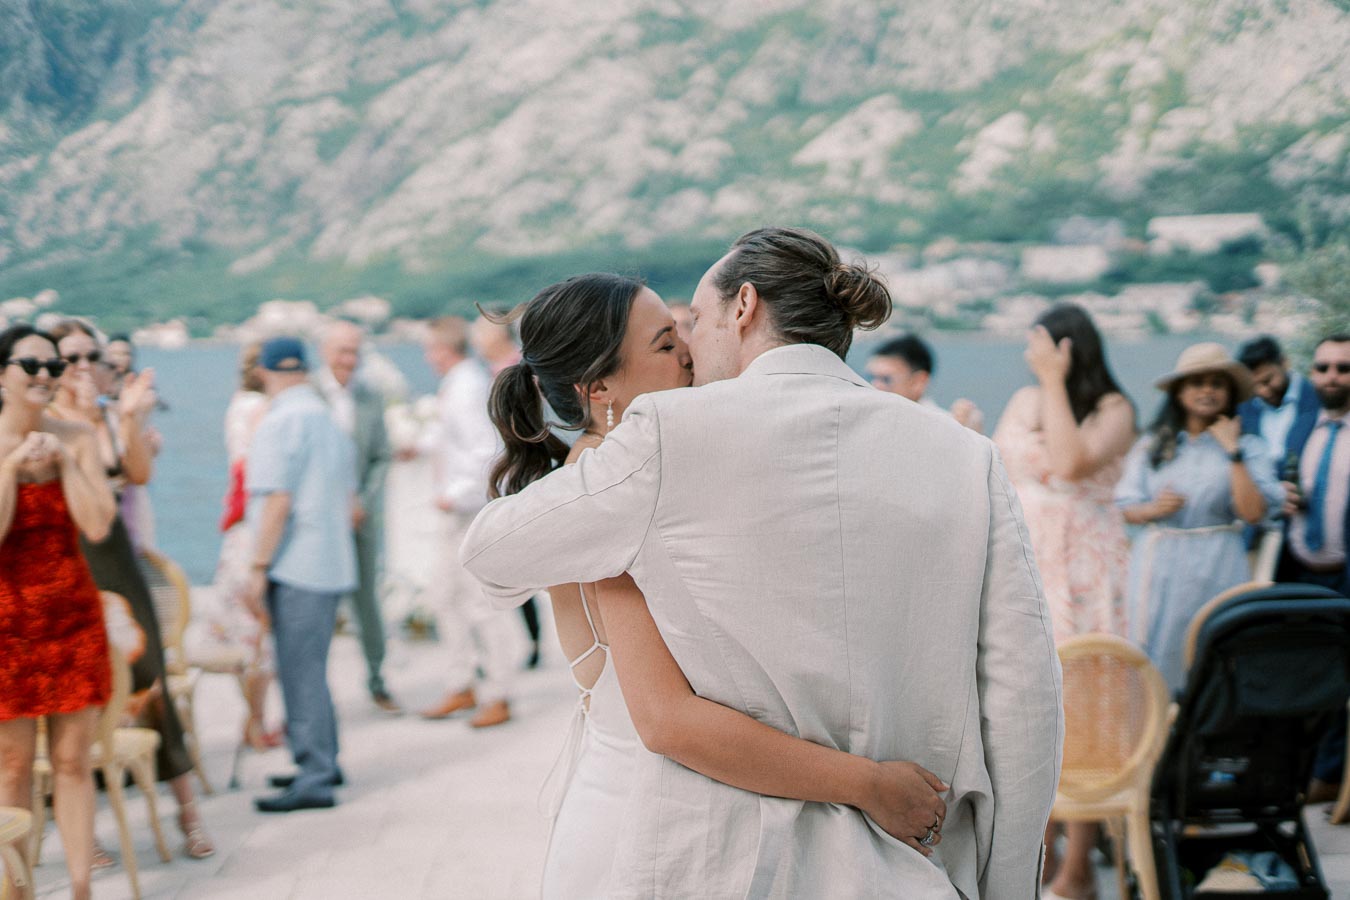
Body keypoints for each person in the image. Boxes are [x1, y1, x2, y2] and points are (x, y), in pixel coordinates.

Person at [463, 227, 1064, 898]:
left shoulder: (665, 443)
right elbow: (1024, 699)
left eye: (689, 323)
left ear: (742, 305)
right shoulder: (965, 456)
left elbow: (491, 553)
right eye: (669, 338)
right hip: (911, 861)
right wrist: (1004, 885)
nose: (688, 348)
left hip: (727, 861)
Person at [49, 319, 215, 859]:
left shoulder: (106, 415)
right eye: (67, 357)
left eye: (88, 356)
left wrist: (130, 419)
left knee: (153, 687)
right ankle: (87, 830)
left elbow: (138, 474)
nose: (79, 366)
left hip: (118, 562)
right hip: (66, 564)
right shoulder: (46, 423)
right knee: (78, 700)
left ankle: (188, 813)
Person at [992, 303, 1135, 900]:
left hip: (1085, 568)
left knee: (1086, 706)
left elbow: (1073, 463)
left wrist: (1055, 381)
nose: (1030, 356)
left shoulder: (1113, 409)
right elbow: (999, 465)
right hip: (1029, 560)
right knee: (1025, 702)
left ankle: (1079, 867)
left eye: (1040, 346)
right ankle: (1036, 855)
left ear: (1067, 348)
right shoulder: (1024, 400)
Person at [0, 324, 116, 900]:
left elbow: (97, 525)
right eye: (29, 365)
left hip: (72, 619)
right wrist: (11, 468)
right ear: (2, 375)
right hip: (6, 627)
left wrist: (67, 465)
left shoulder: (79, 436)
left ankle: (79, 889)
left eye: (51, 366)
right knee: (13, 769)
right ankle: (17, 891)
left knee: (73, 762)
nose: (44, 375)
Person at [1115, 343, 1282, 692]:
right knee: (1158, 649)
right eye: (1196, 383)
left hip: (1218, 560)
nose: (1207, 391)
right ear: (1179, 392)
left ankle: (1214, 740)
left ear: (1230, 393)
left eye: (1216, 384)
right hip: (1162, 560)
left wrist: (1231, 451)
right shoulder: (1154, 445)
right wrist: (1154, 509)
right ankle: (1160, 737)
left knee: (1219, 645)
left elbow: (1253, 513)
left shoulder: (1249, 447)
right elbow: (1127, 506)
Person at [241, 336, 357, 812]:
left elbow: (276, 502)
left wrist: (257, 566)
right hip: (330, 558)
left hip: (296, 564)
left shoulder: (279, 421)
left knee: (299, 672)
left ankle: (314, 773)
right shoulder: (327, 417)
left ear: (266, 372)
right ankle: (324, 760)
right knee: (313, 668)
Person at [418, 316, 517, 727]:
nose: (427, 356)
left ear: (442, 350)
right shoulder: (460, 384)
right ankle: (462, 682)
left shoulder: (466, 387)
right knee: (446, 597)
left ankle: (498, 691)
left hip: (468, 510)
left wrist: (453, 494)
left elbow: (484, 451)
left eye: (429, 348)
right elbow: (451, 440)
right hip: (457, 509)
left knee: (480, 603)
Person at [1274, 335, 1350, 803]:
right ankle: (1293, 772)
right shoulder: (1302, 426)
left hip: (1345, 572)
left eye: (1343, 368)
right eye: (1322, 367)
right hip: (1299, 570)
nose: (1331, 377)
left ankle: (1326, 777)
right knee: (1297, 674)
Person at [315, 321, 399, 714]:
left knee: (367, 601)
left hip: (360, 516)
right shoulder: (309, 395)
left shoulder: (370, 396)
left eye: (354, 352)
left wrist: (362, 500)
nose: (348, 359)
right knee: (318, 605)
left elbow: (382, 454)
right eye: (341, 350)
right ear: (324, 352)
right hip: (318, 520)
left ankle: (377, 679)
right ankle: (316, 695)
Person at [208, 341, 280, 750]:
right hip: (255, 527)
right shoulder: (262, 410)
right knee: (258, 632)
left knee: (244, 630)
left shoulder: (237, 405)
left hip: (237, 529)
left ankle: (253, 718)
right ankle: (256, 720)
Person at [470, 311, 543, 668]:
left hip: (516, 472)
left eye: (480, 332)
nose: (475, 339)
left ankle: (527, 643)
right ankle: (523, 642)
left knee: (518, 560)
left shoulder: (517, 372)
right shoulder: (487, 373)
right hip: (505, 472)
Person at [1237, 334, 1320, 473]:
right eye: (1254, 386)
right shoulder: (1243, 409)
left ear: (1284, 363)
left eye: (1267, 381)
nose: (1263, 391)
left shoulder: (1317, 399)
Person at [866, 334, 984, 431]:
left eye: (886, 379)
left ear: (918, 381)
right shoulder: (870, 420)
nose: (875, 385)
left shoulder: (947, 427)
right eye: (871, 377)